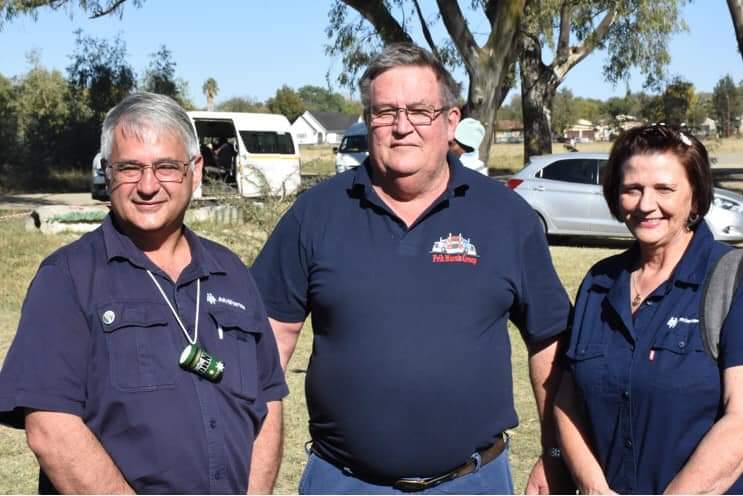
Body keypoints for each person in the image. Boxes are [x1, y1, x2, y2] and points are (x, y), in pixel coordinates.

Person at [252, 43, 573, 494]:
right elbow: (265, 347)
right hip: (343, 482)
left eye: (420, 111)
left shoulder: (506, 217)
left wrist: (556, 453)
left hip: (472, 481)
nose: (402, 127)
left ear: (451, 121)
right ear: (369, 121)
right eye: (385, 112)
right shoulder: (317, 214)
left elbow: (549, 343)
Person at [0, 92, 288, 494]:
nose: (148, 186)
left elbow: (268, 402)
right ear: (107, 172)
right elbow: (50, 428)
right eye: (130, 168)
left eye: (167, 167)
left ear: (196, 169)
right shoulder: (68, 278)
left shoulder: (232, 274)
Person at [555, 124, 743, 494]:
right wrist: (594, 487)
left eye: (664, 189)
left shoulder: (731, 280)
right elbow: (567, 399)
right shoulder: (599, 282)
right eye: (632, 189)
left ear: (695, 195)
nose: (645, 205)